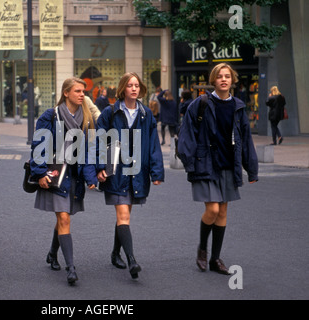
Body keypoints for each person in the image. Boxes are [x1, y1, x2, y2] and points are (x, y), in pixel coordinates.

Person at [177, 63, 258, 275]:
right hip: (206, 164)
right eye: (220, 76)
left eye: (227, 76)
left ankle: (215, 259)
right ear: (214, 80)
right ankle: (202, 248)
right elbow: (186, 132)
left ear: (232, 80)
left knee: (222, 211)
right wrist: (190, 161)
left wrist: (252, 169)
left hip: (229, 165)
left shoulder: (238, 106)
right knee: (212, 209)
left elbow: (246, 139)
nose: (224, 79)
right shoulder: (201, 103)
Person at [96, 72, 164, 279]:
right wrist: (100, 167)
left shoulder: (146, 114)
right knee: (123, 216)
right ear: (122, 89)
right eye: (130, 85)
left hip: (137, 172)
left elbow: (153, 144)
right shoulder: (110, 112)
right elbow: (99, 139)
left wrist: (156, 171)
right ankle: (132, 260)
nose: (134, 88)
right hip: (116, 171)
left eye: (137, 85)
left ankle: (116, 253)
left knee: (124, 217)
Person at [30, 77, 97, 285]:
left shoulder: (86, 118)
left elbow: (89, 151)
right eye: (77, 91)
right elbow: (39, 145)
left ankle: (52, 253)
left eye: (83, 91)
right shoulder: (50, 116)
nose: (81, 94)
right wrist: (40, 172)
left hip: (74, 177)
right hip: (56, 175)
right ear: (66, 93)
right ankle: (71, 268)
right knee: (64, 219)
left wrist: (90, 176)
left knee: (64, 218)